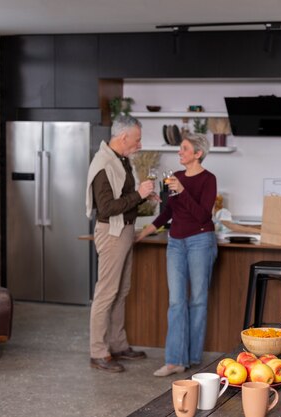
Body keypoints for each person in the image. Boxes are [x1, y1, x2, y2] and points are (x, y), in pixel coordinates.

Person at [136, 133, 218, 377]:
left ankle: (191, 358)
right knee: (176, 301)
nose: (179, 152)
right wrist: (142, 233)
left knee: (198, 301)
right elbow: (166, 215)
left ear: (197, 153)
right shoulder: (176, 178)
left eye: (184, 149)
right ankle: (174, 360)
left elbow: (203, 216)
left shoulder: (208, 179)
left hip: (200, 242)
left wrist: (182, 191)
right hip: (175, 243)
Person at [85, 114, 155, 373]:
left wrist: (144, 197)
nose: (139, 144)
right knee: (105, 293)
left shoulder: (121, 160)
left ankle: (117, 345)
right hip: (112, 233)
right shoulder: (103, 163)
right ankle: (98, 352)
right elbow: (106, 208)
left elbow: (124, 198)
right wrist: (139, 195)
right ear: (123, 137)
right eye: (137, 139)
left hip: (125, 232)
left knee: (121, 291)